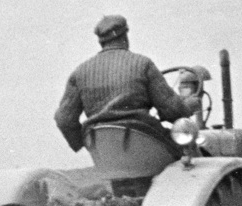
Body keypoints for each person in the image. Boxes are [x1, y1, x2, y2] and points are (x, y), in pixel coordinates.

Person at [54, 14, 200, 153]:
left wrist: (87, 144)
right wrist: (190, 105)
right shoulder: (143, 64)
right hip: (146, 145)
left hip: (104, 151)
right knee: (191, 149)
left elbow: (64, 120)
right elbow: (172, 110)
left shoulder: (79, 73)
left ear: (101, 41)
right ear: (125, 36)